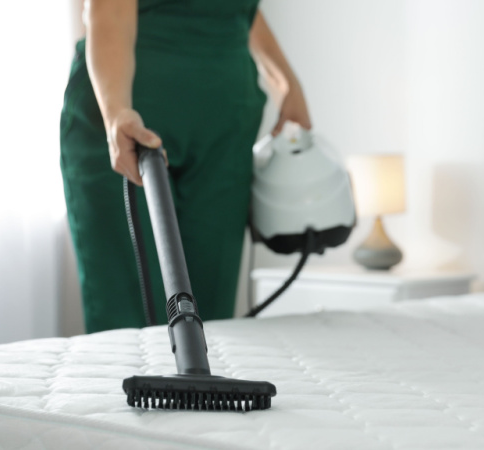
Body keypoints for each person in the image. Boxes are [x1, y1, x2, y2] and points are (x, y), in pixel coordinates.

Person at [60, 0, 311, 332]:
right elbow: (109, 8)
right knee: (128, 313)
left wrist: (287, 83)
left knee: (212, 316)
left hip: (226, 128)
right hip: (131, 122)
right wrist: (117, 110)